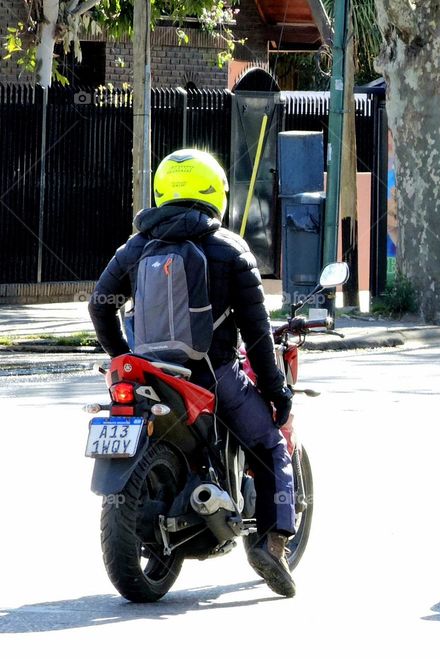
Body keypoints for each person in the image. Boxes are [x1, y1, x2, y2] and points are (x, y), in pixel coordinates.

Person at [89, 148, 298, 598]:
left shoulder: (136, 246)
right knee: (270, 442)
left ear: (163, 190)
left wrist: (123, 354)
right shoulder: (228, 248)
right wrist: (279, 394)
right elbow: (258, 336)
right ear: (214, 192)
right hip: (213, 377)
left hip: (149, 374)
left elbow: (99, 303)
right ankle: (273, 543)